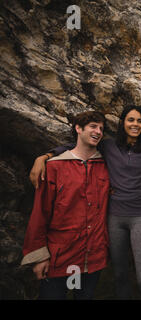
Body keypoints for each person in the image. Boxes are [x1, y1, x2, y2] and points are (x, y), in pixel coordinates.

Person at [29, 106, 141, 299]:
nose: (135, 124)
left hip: (140, 217)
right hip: (114, 217)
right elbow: (76, 148)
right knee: (120, 273)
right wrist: (45, 156)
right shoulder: (109, 146)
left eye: (139, 121)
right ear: (123, 123)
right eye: (131, 120)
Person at [21, 111, 109, 299]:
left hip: (93, 258)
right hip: (60, 258)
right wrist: (39, 256)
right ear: (78, 129)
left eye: (101, 128)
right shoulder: (54, 167)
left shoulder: (106, 165)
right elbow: (40, 213)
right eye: (93, 126)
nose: (98, 131)